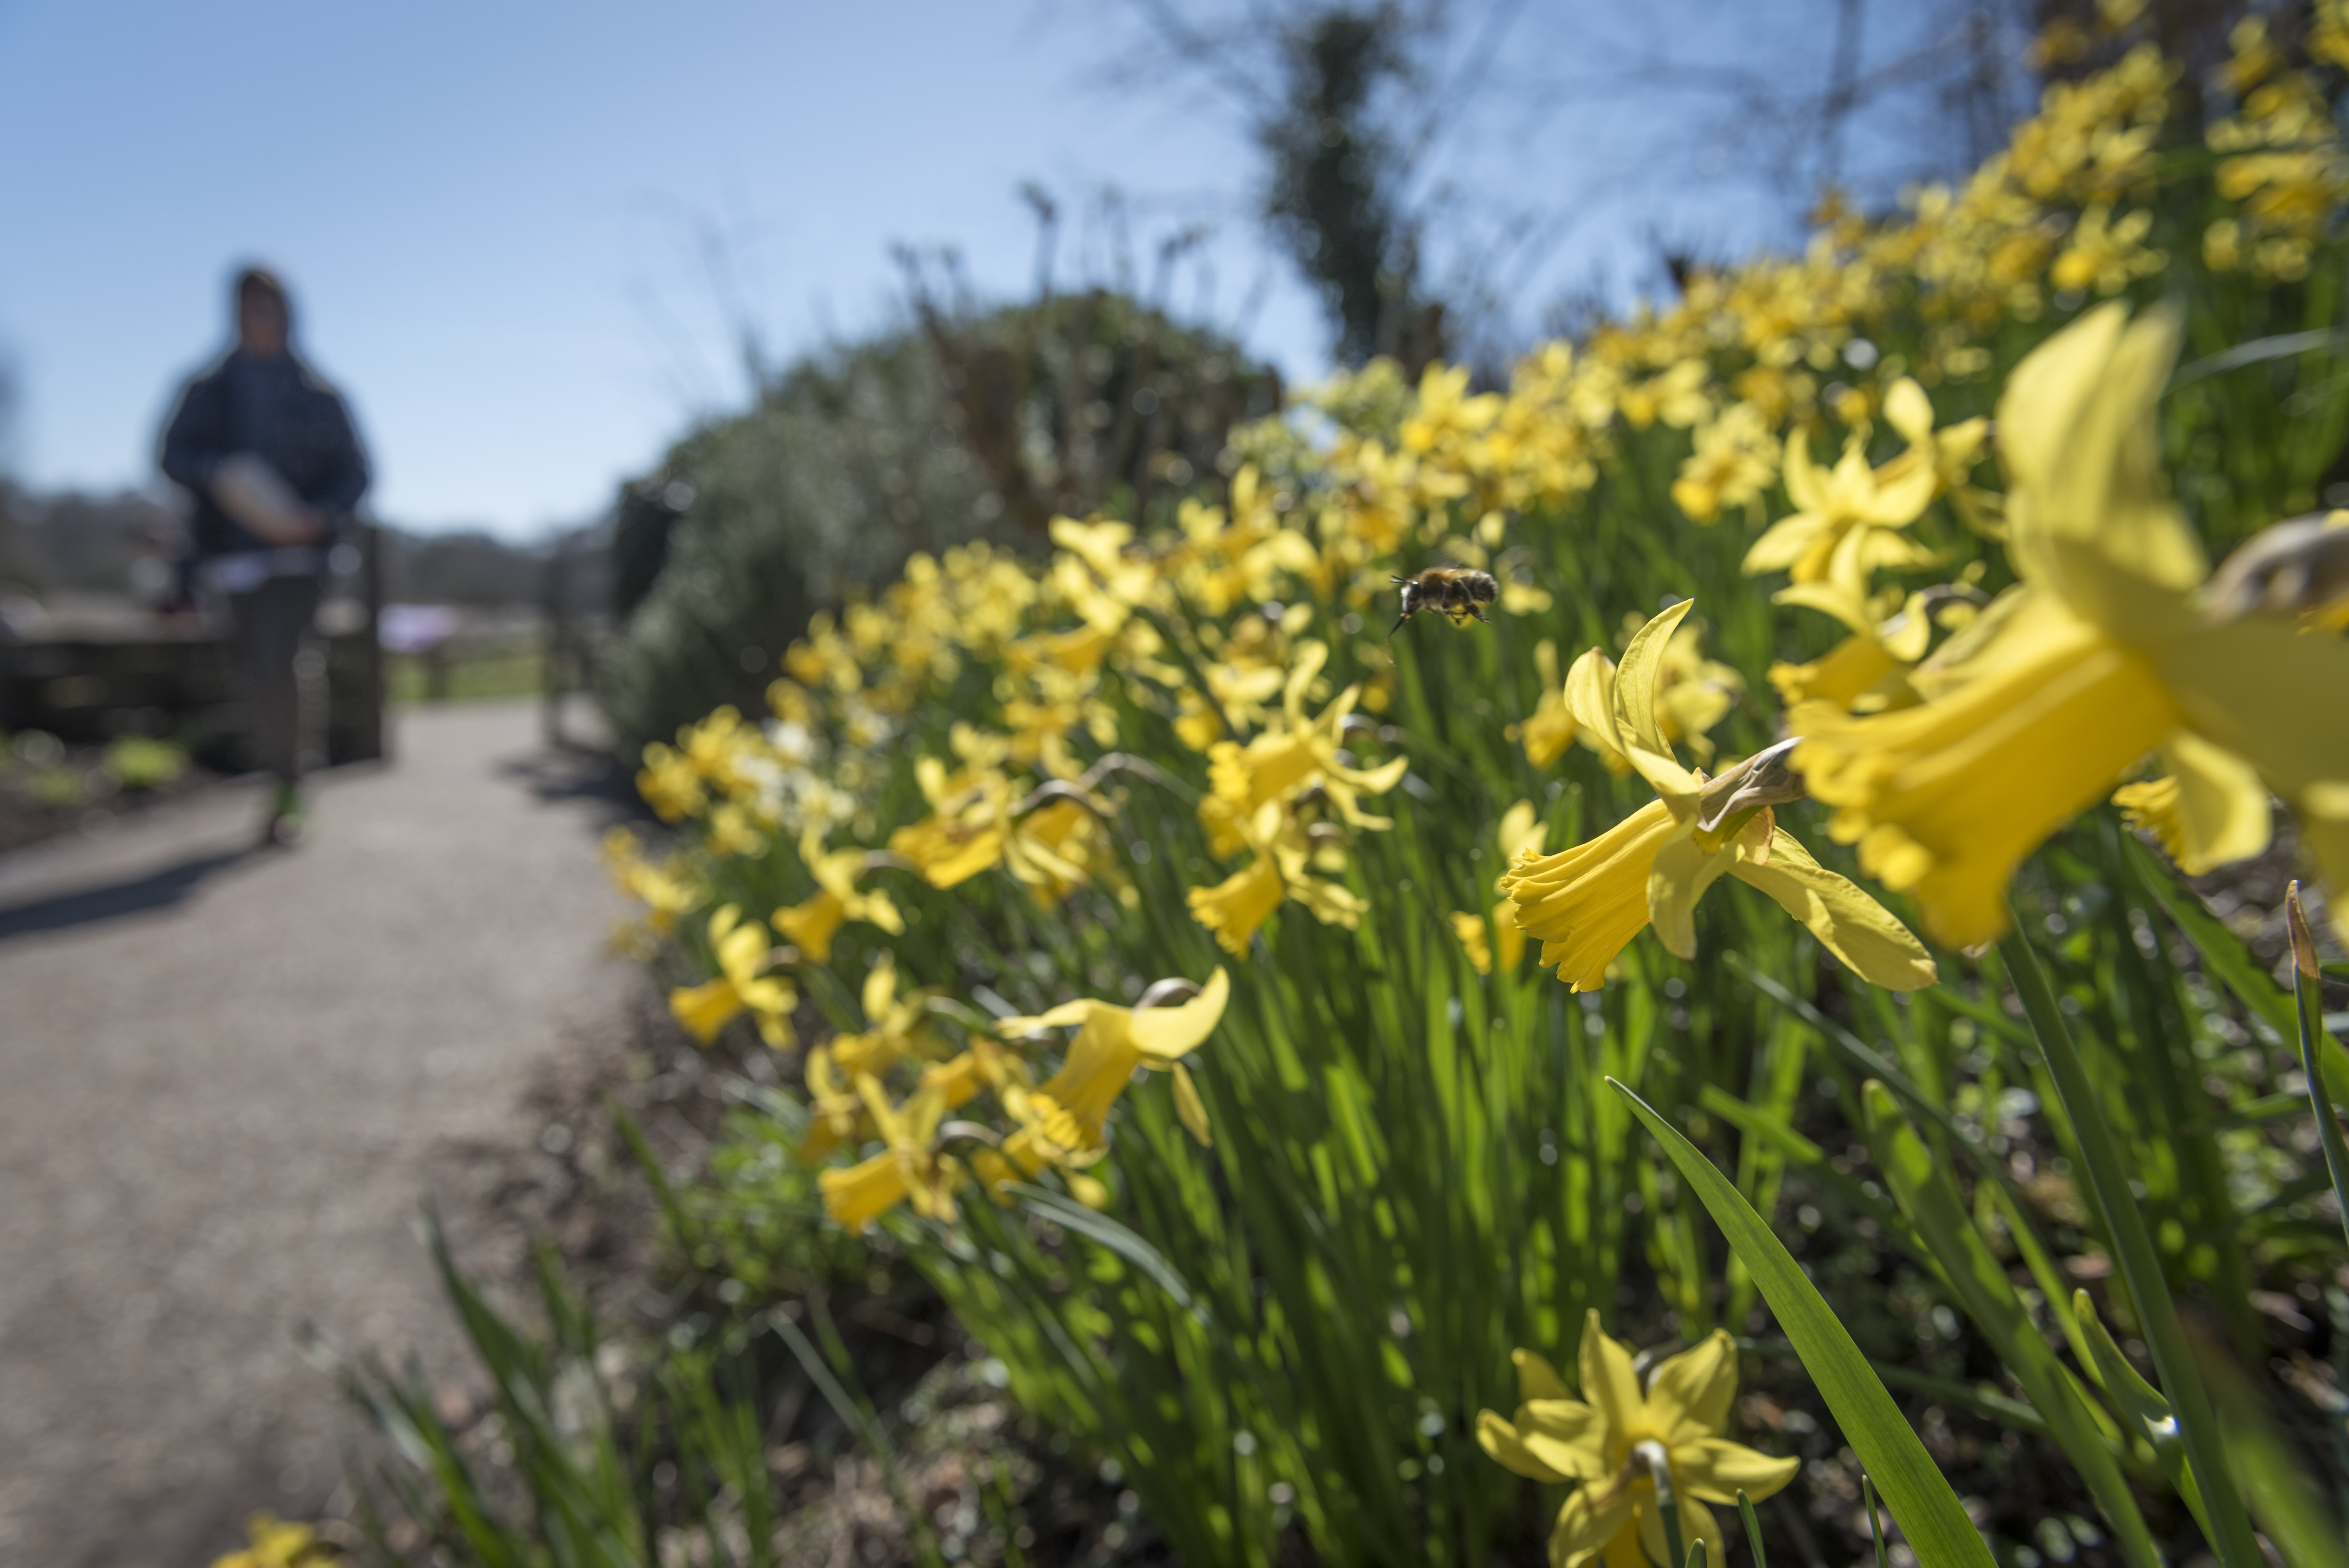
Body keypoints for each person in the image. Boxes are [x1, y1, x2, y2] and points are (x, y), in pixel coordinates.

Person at [159, 266, 369, 845]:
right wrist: (219, 475)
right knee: (254, 673)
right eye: (249, 309)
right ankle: (278, 777)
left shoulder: (320, 396)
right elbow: (171, 455)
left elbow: (357, 474)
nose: (260, 320)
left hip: (302, 557)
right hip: (233, 556)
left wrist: (318, 517)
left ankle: (292, 783)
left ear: (287, 314)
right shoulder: (208, 390)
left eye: (269, 309)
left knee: (283, 660)